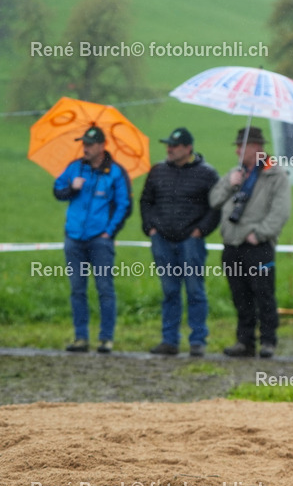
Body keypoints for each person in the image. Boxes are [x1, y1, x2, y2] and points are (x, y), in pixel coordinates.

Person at [210, 126, 291, 358]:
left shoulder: (275, 174)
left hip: (258, 247)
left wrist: (260, 234)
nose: (237, 151)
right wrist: (229, 184)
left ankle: (268, 341)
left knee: (264, 294)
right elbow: (214, 200)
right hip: (232, 245)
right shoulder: (236, 173)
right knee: (240, 295)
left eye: (240, 146)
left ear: (256, 148)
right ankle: (244, 341)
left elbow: (280, 211)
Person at [140, 127, 221, 357]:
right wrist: (151, 228)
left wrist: (200, 231)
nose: (169, 149)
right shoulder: (157, 171)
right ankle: (169, 339)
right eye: (168, 145)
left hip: (190, 241)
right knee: (169, 291)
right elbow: (146, 201)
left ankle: (197, 340)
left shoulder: (207, 174)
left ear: (188, 149)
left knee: (195, 291)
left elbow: (215, 206)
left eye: (174, 146)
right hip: (162, 239)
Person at [53, 125, 133, 353]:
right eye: (83, 144)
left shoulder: (116, 173)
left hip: (100, 240)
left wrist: (109, 232)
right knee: (77, 289)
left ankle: (106, 338)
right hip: (74, 238)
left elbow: (124, 205)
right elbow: (58, 190)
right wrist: (72, 188)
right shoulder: (75, 168)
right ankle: (81, 337)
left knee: (104, 289)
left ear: (101, 146)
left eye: (89, 144)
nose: (85, 148)